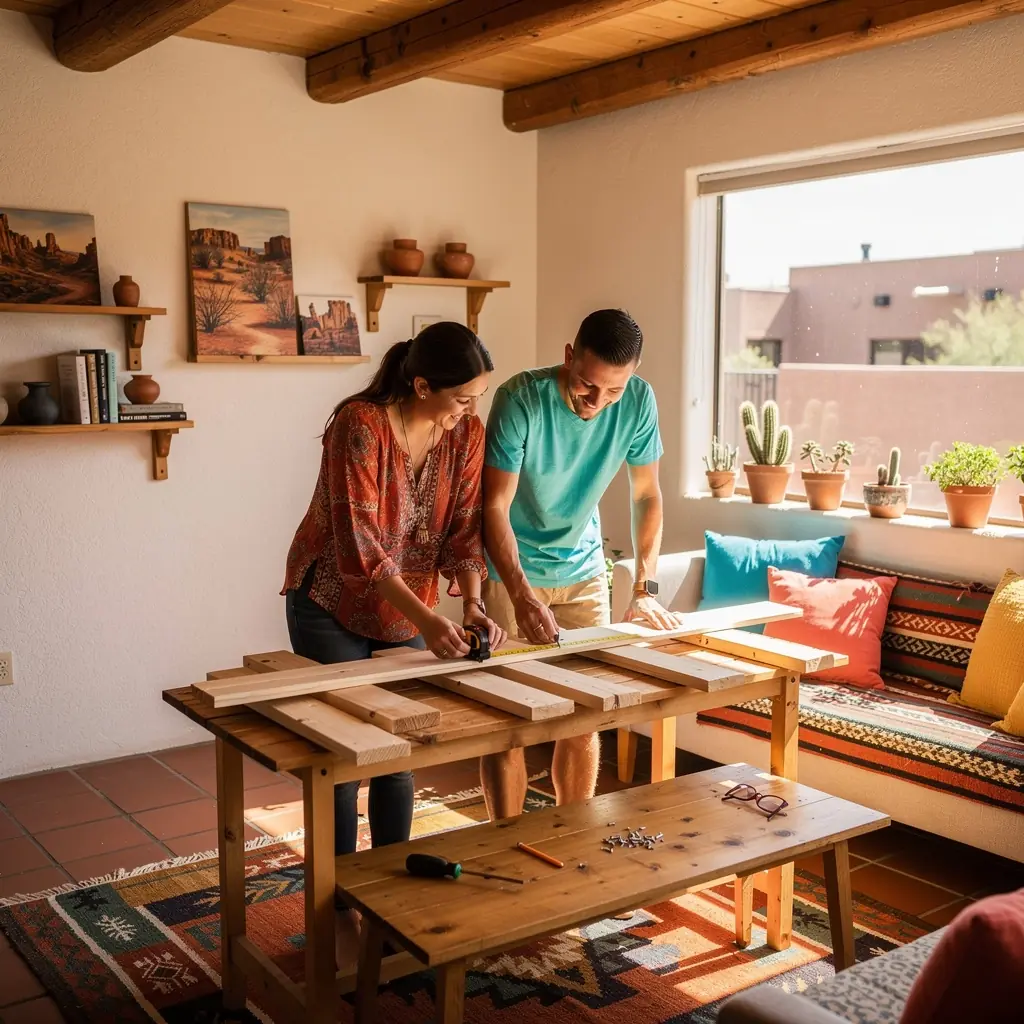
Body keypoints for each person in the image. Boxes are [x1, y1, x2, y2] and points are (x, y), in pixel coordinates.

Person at [281, 321, 507, 869]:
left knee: (397, 750)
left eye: (477, 397)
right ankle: (333, 896)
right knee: (342, 760)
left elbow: (464, 527)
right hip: (330, 601)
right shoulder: (358, 425)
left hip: (411, 606)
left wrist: (473, 604)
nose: (468, 409)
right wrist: (428, 620)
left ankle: (387, 887)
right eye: (461, 398)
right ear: (423, 387)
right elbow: (359, 544)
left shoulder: (466, 433)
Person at [480, 308, 682, 820]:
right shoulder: (519, 399)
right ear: (569, 356)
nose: (597, 404)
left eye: (613, 391)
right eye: (588, 386)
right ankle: (507, 843)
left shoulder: (637, 401)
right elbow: (494, 507)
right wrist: (521, 595)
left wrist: (645, 587)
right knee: (508, 724)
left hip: (584, 571)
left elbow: (646, 496)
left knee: (584, 716)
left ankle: (572, 841)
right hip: (513, 574)